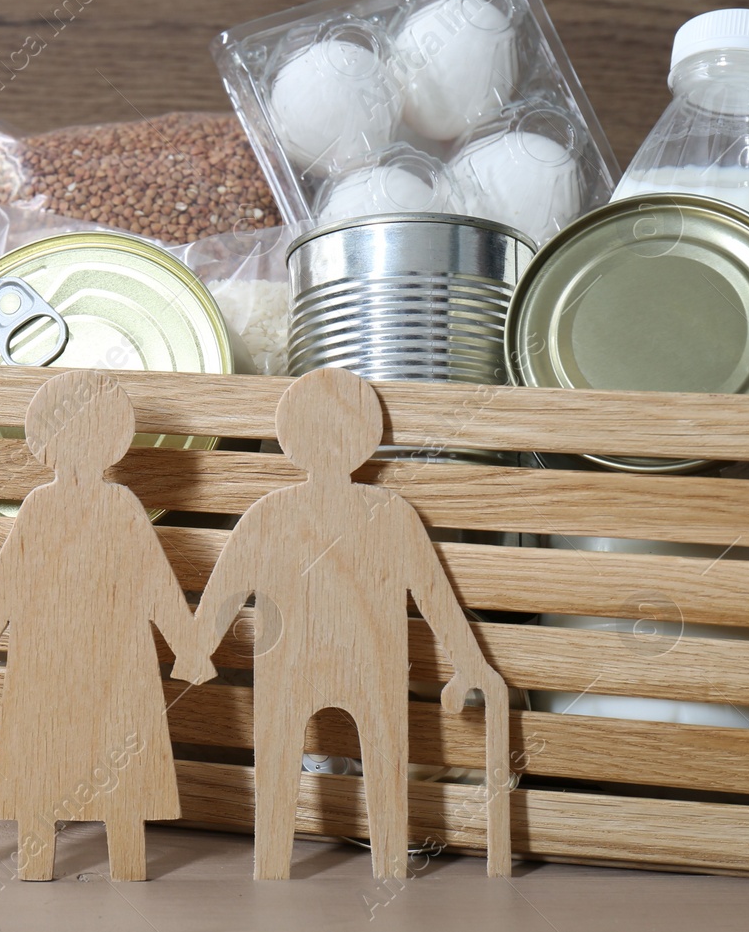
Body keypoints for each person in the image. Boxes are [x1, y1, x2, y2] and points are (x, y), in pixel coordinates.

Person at [176, 368, 510, 879]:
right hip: (325, 664)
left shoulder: (282, 513)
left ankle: (330, 865)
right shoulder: (376, 512)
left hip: (344, 663)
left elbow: (433, 594)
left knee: (359, 761)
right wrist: (196, 649)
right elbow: (227, 589)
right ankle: (358, 867)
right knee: (341, 761)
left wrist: (195, 651)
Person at [0, 370, 209, 882]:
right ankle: (48, 861)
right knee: (55, 761)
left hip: (99, 661)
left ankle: (106, 862)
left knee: (106, 765)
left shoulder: (111, 507)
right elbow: (4, 590)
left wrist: (190, 649)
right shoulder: (62, 508)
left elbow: (154, 583)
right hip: (65, 661)